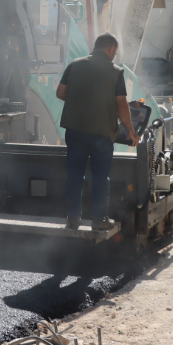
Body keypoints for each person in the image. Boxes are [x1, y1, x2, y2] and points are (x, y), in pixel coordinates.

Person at [56, 33, 139, 231]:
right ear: (110, 49)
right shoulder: (115, 71)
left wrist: (81, 101)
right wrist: (130, 131)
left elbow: (60, 93)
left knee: (74, 175)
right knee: (101, 176)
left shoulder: (74, 65)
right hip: (101, 133)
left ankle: (73, 218)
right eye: (115, 52)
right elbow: (121, 104)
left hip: (75, 130)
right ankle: (99, 219)